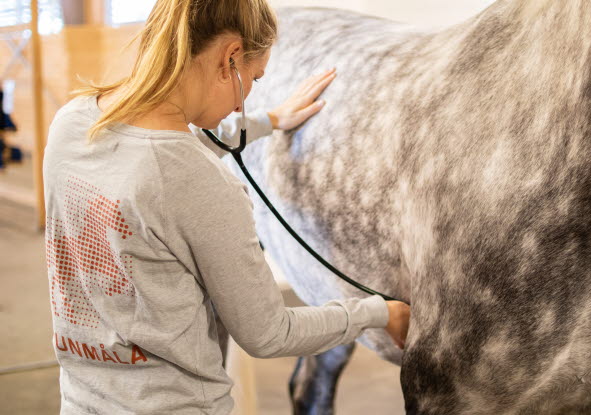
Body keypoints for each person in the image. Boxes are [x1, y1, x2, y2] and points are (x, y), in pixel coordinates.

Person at [42, 0, 410, 413]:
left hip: (80, 400)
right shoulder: (200, 182)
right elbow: (270, 334)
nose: (241, 104)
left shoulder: (73, 121)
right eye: (253, 77)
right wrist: (376, 313)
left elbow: (148, 161)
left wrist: (268, 119)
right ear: (229, 57)